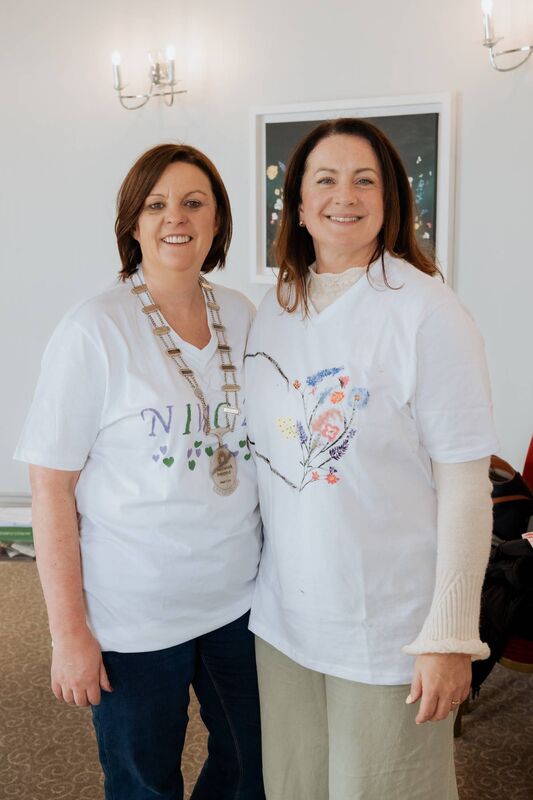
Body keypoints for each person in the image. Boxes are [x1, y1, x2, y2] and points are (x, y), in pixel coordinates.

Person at [244, 118, 498, 800]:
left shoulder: (426, 311)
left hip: (387, 625)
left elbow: (466, 487)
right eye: (323, 180)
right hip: (284, 620)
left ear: (390, 201)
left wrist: (449, 635)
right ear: (296, 204)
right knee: (295, 788)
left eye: (365, 180)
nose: (343, 196)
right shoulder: (273, 308)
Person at [15, 143, 265, 800]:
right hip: (132, 615)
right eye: (155, 205)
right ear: (133, 223)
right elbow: (50, 489)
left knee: (255, 766)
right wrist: (69, 633)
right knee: (142, 785)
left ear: (217, 221)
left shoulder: (241, 315)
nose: (173, 218)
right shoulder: (94, 329)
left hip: (239, 601)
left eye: (192, 202)